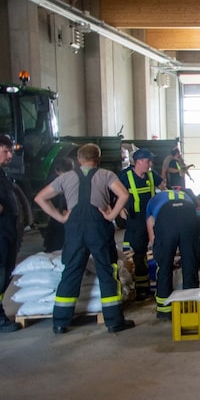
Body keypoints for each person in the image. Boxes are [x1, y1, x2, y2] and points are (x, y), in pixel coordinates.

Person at [34, 143, 134, 334]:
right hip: (98, 228)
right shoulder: (106, 175)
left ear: (78, 160)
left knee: (71, 271)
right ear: (98, 158)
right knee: (106, 271)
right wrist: (111, 215)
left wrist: (61, 217)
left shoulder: (66, 177)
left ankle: (60, 322)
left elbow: (40, 198)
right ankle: (113, 321)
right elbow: (123, 194)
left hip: (74, 229)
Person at [146, 189, 200, 320]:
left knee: (164, 267)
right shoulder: (185, 196)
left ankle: (165, 311)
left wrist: (164, 252)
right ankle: (190, 307)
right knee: (190, 263)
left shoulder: (152, 202)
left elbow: (152, 235)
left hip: (166, 216)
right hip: (189, 214)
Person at [118, 148, 164, 300]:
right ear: (138, 162)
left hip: (151, 218)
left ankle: (154, 286)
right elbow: (114, 194)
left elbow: (163, 187)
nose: (150, 164)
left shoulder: (152, 175)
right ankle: (141, 288)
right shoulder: (125, 176)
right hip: (136, 220)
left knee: (157, 251)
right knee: (139, 254)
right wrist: (120, 209)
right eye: (147, 161)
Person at [0, 135, 22, 332]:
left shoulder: (3, 174)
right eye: (5, 151)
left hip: (7, 232)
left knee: (6, 273)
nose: (9, 156)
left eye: (10, 152)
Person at [41, 157, 74, 253]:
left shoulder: (74, 180)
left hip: (68, 220)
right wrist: (60, 213)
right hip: (58, 219)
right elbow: (43, 200)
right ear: (57, 172)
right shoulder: (53, 182)